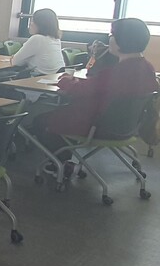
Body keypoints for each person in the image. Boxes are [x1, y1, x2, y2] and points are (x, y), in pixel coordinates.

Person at [36, 18, 158, 165]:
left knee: (40, 120)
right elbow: (98, 86)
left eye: (112, 34)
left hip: (99, 126)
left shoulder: (118, 72)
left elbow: (80, 89)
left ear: (122, 41)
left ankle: (60, 164)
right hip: (127, 127)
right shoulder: (148, 68)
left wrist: (65, 80)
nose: (109, 38)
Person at [11, 8, 63, 76]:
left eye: (33, 21)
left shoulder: (37, 38)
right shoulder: (56, 39)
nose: (30, 24)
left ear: (41, 24)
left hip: (39, 78)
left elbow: (15, 62)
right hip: (55, 77)